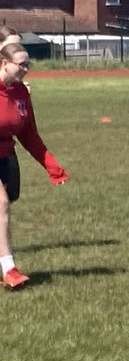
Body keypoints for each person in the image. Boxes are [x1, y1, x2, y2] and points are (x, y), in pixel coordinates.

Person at [0, 42, 68, 289]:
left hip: (5, 155)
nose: (26, 69)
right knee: (2, 204)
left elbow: (29, 135)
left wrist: (52, 166)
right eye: (22, 64)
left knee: (5, 207)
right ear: (4, 63)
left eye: (28, 63)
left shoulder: (20, 93)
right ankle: (10, 270)